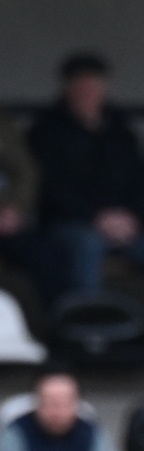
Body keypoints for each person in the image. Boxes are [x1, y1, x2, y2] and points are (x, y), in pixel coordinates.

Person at [30, 52, 144, 320]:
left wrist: (134, 219)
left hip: (127, 228)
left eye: (94, 86)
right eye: (81, 86)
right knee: (87, 244)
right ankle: (89, 329)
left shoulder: (121, 132)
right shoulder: (46, 132)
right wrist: (96, 218)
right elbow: (51, 190)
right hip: (74, 226)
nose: (88, 92)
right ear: (67, 89)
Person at [0, 111, 62, 314]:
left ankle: (63, 325)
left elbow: (26, 170)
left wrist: (15, 207)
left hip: (5, 222)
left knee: (45, 255)